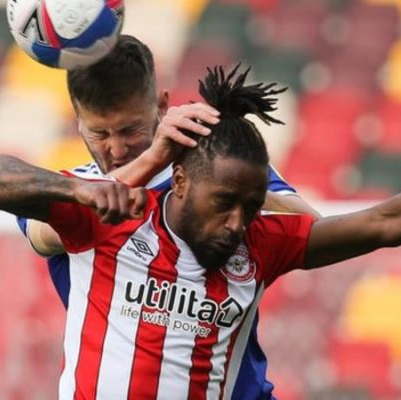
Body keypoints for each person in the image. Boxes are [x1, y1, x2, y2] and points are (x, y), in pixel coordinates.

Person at [0, 64, 401, 399]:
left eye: (251, 205)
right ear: (179, 183)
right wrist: (75, 191)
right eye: (226, 205)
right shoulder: (106, 216)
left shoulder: (260, 243)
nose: (238, 223)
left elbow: (389, 222)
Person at [17, 34, 319, 397]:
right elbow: (39, 233)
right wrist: (153, 162)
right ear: (78, 121)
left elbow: (311, 226)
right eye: (99, 133)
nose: (116, 148)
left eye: (131, 129)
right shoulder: (76, 192)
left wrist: (208, 187)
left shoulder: (212, 164)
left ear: (162, 108)